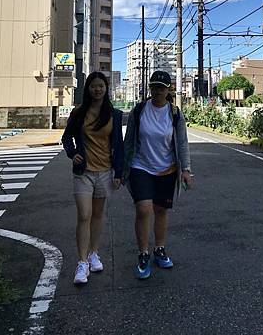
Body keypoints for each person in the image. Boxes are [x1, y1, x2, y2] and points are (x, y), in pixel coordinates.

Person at [123, 70, 193, 279]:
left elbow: (182, 142)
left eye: (161, 88)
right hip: (140, 166)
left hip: (168, 168)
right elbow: (129, 141)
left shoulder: (175, 113)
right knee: (144, 210)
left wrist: (186, 170)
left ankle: (159, 249)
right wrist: (122, 169)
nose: (157, 91)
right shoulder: (139, 110)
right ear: (150, 88)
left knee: (161, 211)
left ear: (168, 89)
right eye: (154, 87)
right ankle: (143, 253)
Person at [62, 71, 124, 285]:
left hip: (105, 171)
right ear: (87, 89)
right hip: (83, 172)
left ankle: (94, 253)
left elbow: (119, 145)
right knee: (84, 215)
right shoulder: (79, 113)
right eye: (93, 86)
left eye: (101, 86)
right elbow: (66, 137)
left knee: (98, 215)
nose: (97, 89)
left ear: (106, 89)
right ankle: (81, 262)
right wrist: (73, 153)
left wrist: (119, 172)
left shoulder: (113, 114)